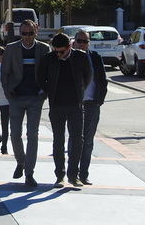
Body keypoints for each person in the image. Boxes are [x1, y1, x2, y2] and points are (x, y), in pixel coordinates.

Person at [37, 32, 92, 188]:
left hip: (75, 105)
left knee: (77, 140)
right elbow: (40, 78)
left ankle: (73, 176)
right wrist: (50, 91)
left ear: (69, 47)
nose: (58, 54)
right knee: (58, 140)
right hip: (57, 105)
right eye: (56, 50)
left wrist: (80, 92)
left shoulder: (81, 57)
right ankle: (59, 175)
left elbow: (88, 76)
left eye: (61, 51)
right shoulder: (49, 58)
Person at [1, 19, 50, 187]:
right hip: (16, 97)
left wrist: (44, 92)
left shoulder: (44, 49)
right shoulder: (11, 49)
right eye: (24, 33)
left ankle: (29, 172)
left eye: (30, 33)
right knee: (14, 134)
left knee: (32, 135)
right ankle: (20, 161)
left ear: (36, 32)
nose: (27, 37)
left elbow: (49, 74)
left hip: (35, 98)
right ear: (19, 33)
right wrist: (8, 93)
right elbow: (4, 73)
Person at [72, 29, 108, 185]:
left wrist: (100, 99)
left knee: (88, 141)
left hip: (92, 103)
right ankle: (72, 173)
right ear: (74, 42)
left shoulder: (95, 57)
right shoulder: (69, 58)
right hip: (74, 105)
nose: (82, 44)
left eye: (85, 41)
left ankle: (83, 174)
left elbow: (103, 79)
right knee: (75, 140)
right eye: (79, 41)